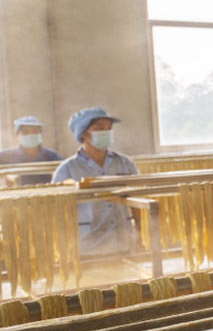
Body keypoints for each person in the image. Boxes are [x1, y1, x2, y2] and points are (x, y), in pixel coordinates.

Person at [52, 108, 139, 256]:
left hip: (123, 243)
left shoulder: (125, 163)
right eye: (100, 128)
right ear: (84, 133)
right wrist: (63, 248)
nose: (106, 132)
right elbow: (57, 212)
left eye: (109, 128)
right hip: (87, 247)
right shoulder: (67, 170)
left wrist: (142, 236)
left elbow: (138, 202)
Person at [0, 117, 62, 184]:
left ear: (41, 135)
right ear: (17, 136)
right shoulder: (5, 157)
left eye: (35, 131)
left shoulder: (53, 156)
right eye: (25, 132)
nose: (30, 135)